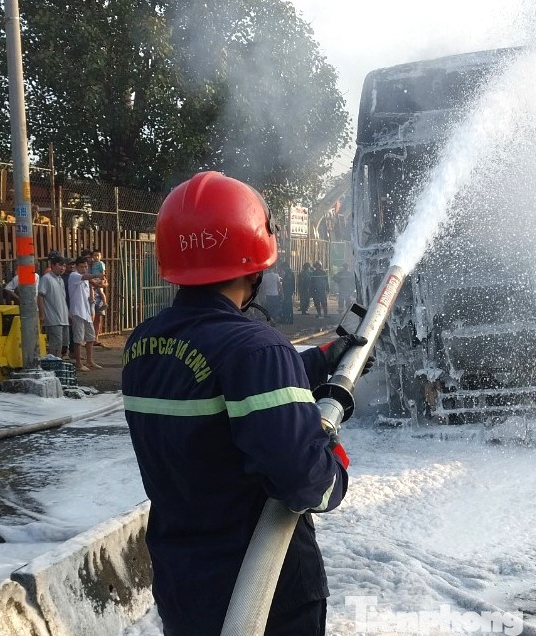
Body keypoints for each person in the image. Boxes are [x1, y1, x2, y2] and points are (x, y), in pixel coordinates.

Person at [121, 171, 366, 636]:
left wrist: (319, 363)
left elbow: (219, 385)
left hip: (184, 586)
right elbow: (304, 482)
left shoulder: (144, 345)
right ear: (256, 261)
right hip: (264, 596)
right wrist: (330, 455)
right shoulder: (258, 350)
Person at [67, 256, 104, 372]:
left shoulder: (86, 279)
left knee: (90, 337)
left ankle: (90, 361)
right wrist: (97, 275)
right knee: (78, 339)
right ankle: (78, 363)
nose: (84, 269)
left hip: (86, 311)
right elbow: (86, 277)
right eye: (81, 267)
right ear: (77, 267)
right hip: (77, 311)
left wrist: (99, 283)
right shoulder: (74, 276)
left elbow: (93, 283)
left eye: (85, 266)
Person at [37, 255, 69, 358]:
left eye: (64, 266)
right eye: (60, 265)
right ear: (53, 265)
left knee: (63, 345)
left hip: (63, 318)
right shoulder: (46, 278)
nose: (63, 268)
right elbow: (40, 296)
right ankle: (53, 365)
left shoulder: (60, 279)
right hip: (53, 319)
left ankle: (58, 363)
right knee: (55, 345)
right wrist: (42, 314)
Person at [90, 250, 108, 347]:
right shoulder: (90, 266)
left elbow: (103, 274)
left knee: (98, 318)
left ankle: (95, 338)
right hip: (93, 287)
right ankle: (89, 338)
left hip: (99, 279)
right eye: (94, 255)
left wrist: (102, 279)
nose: (96, 257)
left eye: (98, 255)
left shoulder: (100, 264)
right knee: (91, 318)